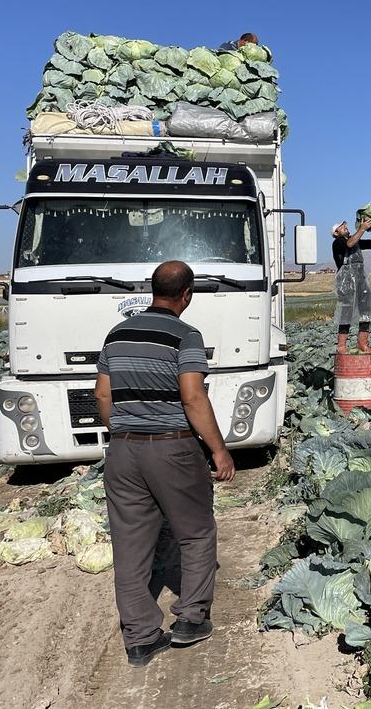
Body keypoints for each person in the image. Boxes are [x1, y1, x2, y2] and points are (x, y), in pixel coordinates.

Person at [94, 261, 235, 668]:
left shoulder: (116, 333)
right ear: (186, 294)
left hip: (122, 451)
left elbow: (102, 395)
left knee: (130, 545)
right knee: (195, 532)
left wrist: (123, 431)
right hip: (171, 448)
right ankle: (191, 619)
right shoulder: (186, 336)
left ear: (152, 289)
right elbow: (193, 397)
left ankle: (140, 640)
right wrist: (219, 450)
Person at [332, 215, 371, 353]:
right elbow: (350, 244)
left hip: (361, 278)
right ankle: (341, 346)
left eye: (344, 225)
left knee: (366, 310)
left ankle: (362, 343)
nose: (344, 227)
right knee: (346, 311)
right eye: (341, 227)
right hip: (347, 281)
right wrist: (362, 228)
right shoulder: (339, 242)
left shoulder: (355, 240)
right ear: (336, 233)